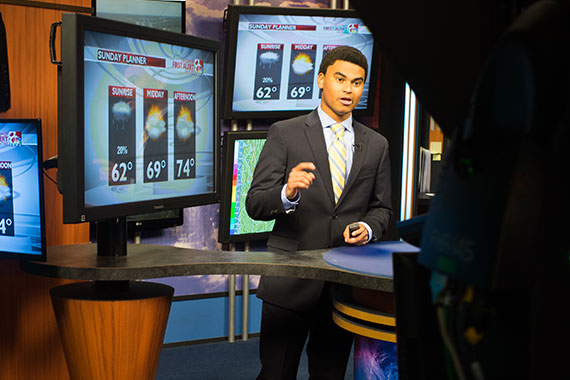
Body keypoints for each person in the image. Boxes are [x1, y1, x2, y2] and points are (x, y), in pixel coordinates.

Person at [246, 46, 392, 380]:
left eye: (357, 83)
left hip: (341, 286)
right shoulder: (286, 133)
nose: (348, 89)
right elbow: (255, 203)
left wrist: (368, 228)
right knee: (275, 374)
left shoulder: (377, 145)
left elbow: (382, 208)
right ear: (321, 80)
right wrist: (286, 192)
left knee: (329, 375)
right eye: (340, 79)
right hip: (290, 282)